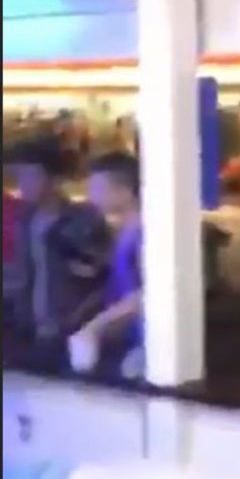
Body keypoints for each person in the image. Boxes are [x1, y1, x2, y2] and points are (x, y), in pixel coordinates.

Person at [4, 137, 112, 369]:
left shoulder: (83, 220)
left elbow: (101, 277)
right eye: (18, 177)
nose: (22, 185)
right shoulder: (24, 220)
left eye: (30, 177)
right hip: (28, 333)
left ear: (54, 179)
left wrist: (77, 319)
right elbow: (19, 274)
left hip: (70, 334)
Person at [69, 152, 144, 380]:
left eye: (98, 189)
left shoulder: (144, 235)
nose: (92, 197)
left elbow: (144, 295)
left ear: (125, 191)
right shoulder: (123, 231)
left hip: (147, 345)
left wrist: (94, 327)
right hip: (127, 337)